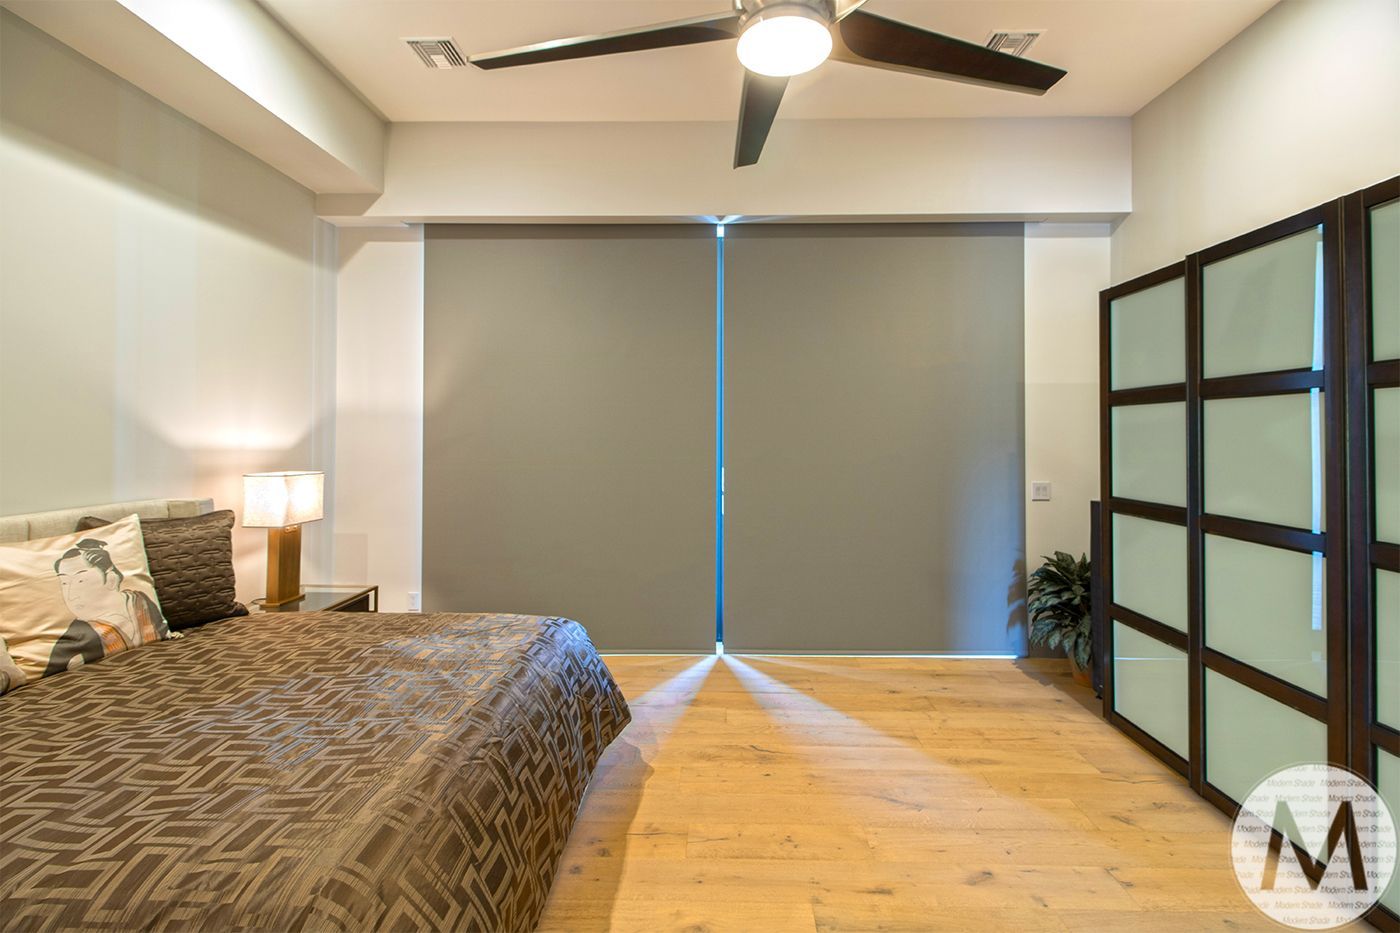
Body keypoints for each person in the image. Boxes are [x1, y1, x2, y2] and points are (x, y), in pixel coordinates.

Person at [44, 538, 167, 675]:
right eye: (64, 583)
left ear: (111, 579)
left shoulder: (140, 601)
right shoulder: (78, 633)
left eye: (81, 581)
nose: (71, 595)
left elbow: (161, 626)